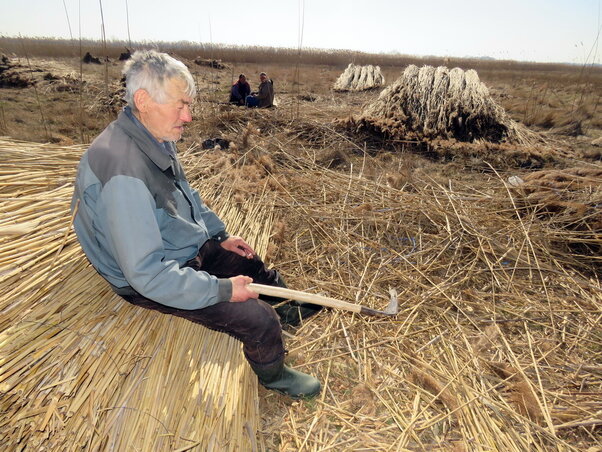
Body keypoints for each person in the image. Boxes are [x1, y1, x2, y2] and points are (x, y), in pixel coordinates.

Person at [71, 50, 321, 399]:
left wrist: (220, 236)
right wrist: (222, 290)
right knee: (257, 319)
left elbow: (185, 194)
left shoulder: (154, 136)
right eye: (181, 105)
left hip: (175, 245)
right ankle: (275, 375)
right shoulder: (122, 170)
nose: (188, 117)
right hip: (150, 276)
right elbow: (147, 274)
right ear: (143, 100)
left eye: (189, 105)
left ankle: (286, 310)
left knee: (248, 263)